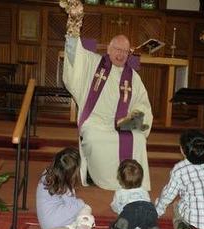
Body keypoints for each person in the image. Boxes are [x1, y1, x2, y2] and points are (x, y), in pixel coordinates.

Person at [61, 0, 153, 190]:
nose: (120, 55)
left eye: (125, 51)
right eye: (117, 50)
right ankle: (96, 176)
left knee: (138, 138)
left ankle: (132, 179)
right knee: (94, 138)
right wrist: (73, 29)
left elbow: (142, 103)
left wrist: (132, 119)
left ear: (129, 54)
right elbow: (74, 56)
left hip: (121, 123)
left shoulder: (132, 77)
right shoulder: (93, 64)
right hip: (96, 122)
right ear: (109, 49)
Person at [36, 147, 102, 229]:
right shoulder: (65, 186)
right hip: (55, 219)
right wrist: (80, 203)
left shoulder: (46, 175)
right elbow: (73, 204)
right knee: (83, 207)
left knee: (73, 213)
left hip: (45, 224)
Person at [109, 159, 161, 229]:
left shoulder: (120, 192)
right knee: (147, 224)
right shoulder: (144, 191)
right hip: (150, 210)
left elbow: (116, 207)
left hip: (131, 210)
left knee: (116, 225)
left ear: (120, 179)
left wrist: (116, 210)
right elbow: (147, 201)